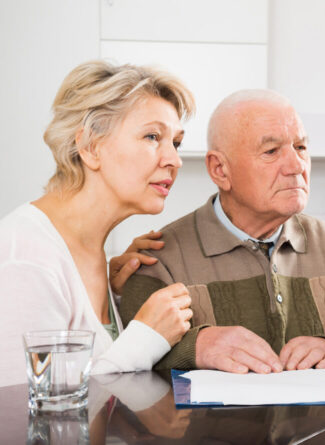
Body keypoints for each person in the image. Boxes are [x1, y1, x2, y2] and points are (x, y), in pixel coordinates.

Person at [120, 89, 325, 374]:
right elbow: (132, 366)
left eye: (301, 147)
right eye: (271, 151)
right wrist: (195, 347)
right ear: (220, 170)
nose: (296, 166)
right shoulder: (157, 261)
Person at [0, 60, 195, 387]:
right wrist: (146, 338)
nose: (174, 160)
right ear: (90, 146)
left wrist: (121, 297)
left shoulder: (95, 258)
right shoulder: (24, 259)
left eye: (175, 142)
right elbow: (24, 412)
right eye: (152, 136)